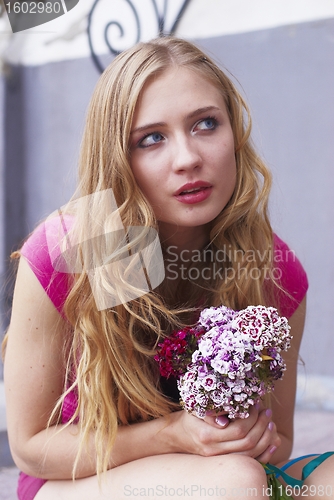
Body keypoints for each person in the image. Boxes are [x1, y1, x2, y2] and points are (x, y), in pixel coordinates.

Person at [2, 36, 333, 500]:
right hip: (74, 480)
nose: (188, 158)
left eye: (205, 124)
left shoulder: (273, 270)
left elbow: (282, 446)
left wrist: (255, 439)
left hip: (220, 474)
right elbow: (30, 447)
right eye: (151, 138)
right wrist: (174, 434)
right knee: (236, 483)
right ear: (118, 158)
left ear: (233, 134)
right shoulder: (68, 254)